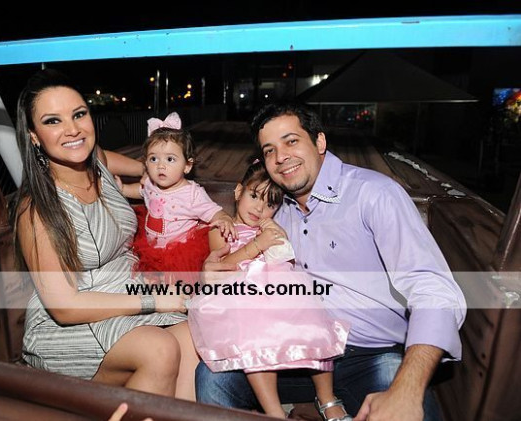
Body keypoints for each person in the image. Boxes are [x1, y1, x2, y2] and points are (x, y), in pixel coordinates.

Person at [195, 102, 467, 421]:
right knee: (213, 378)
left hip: (371, 353)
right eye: (270, 150)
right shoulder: (274, 211)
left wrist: (408, 388)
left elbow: (432, 288)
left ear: (319, 141)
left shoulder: (374, 194)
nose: (281, 156)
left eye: (291, 141)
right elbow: (241, 260)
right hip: (293, 348)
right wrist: (212, 274)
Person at [11, 68, 197, 401]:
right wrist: (154, 301)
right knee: (160, 349)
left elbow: (125, 162)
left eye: (79, 114)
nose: (72, 129)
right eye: (53, 121)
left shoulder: (94, 161)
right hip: (72, 320)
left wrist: (158, 171)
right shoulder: (37, 208)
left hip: (126, 288)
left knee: (193, 334)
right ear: (34, 136)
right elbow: (64, 307)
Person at [188, 160, 350, 419]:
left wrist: (275, 237)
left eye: (270, 204)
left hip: (278, 294)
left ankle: (327, 398)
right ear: (238, 191)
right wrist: (257, 245)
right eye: (254, 196)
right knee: (256, 339)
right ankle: (274, 412)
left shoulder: (270, 228)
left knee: (314, 322)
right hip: (240, 297)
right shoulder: (223, 229)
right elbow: (223, 266)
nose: (259, 208)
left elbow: (287, 258)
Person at [120, 112, 235, 274]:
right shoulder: (150, 183)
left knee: (176, 282)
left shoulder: (192, 193)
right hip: (151, 248)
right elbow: (140, 191)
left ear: (187, 166)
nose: (160, 165)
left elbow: (213, 211)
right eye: (153, 159)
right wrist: (123, 188)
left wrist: (224, 218)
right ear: (146, 162)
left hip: (179, 253)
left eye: (170, 159)